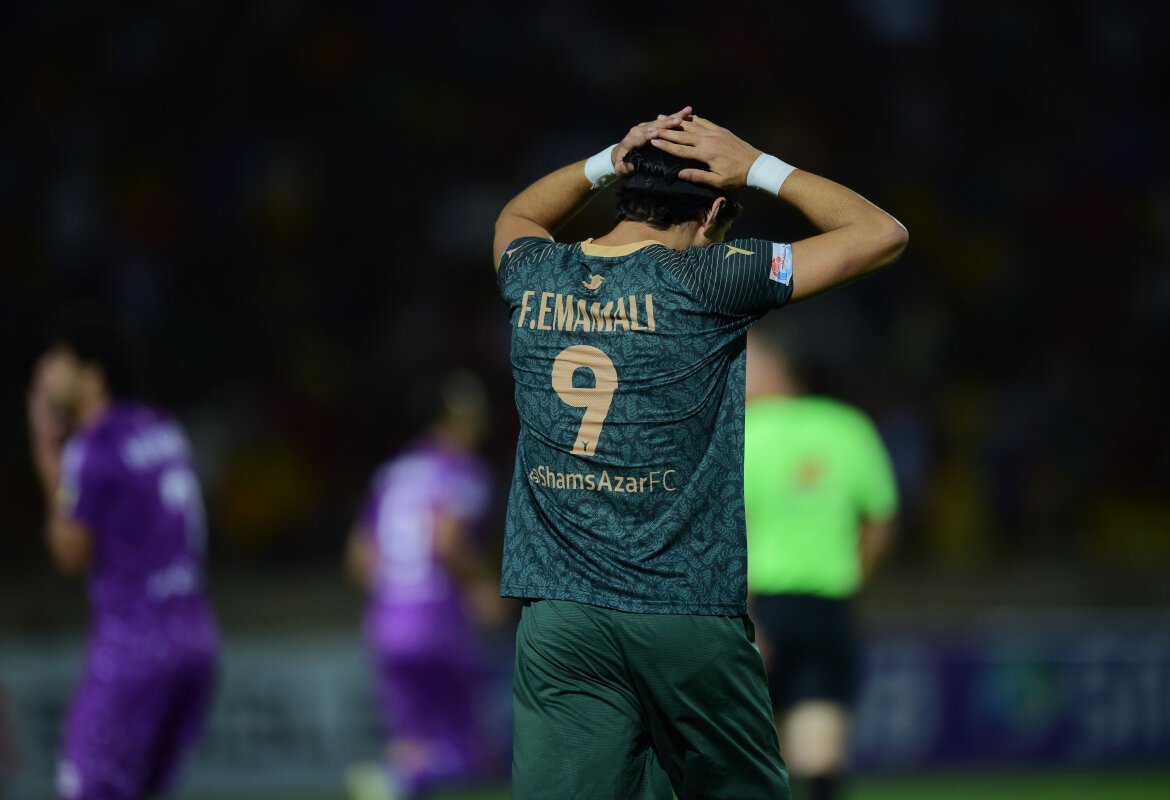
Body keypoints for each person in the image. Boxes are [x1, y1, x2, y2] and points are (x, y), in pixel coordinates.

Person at [492, 106, 908, 799]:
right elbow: (882, 235)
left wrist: (608, 159)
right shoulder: (710, 280)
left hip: (559, 617)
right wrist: (758, 166)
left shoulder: (534, 274)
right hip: (682, 610)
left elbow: (517, 214)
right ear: (714, 213)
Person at [26, 311, 220, 800]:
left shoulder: (93, 447)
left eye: (59, 359)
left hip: (134, 646)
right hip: (195, 637)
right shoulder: (162, 428)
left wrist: (48, 456)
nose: (45, 371)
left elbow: (70, 553)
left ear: (92, 376)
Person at [744, 325, 899, 800]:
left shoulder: (739, 430)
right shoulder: (849, 427)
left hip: (756, 609)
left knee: (747, 748)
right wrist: (854, 575)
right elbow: (881, 524)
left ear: (775, 366)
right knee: (819, 751)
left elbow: (722, 534)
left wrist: (742, 613)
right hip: (830, 607)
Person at [344, 370, 505, 800]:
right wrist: (481, 584)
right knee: (475, 747)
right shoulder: (461, 470)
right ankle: (399, 782)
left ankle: (398, 781)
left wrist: (398, 589)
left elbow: (358, 559)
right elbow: (445, 541)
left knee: (410, 745)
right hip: (437, 619)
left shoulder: (392, 473)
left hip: (387, 621)